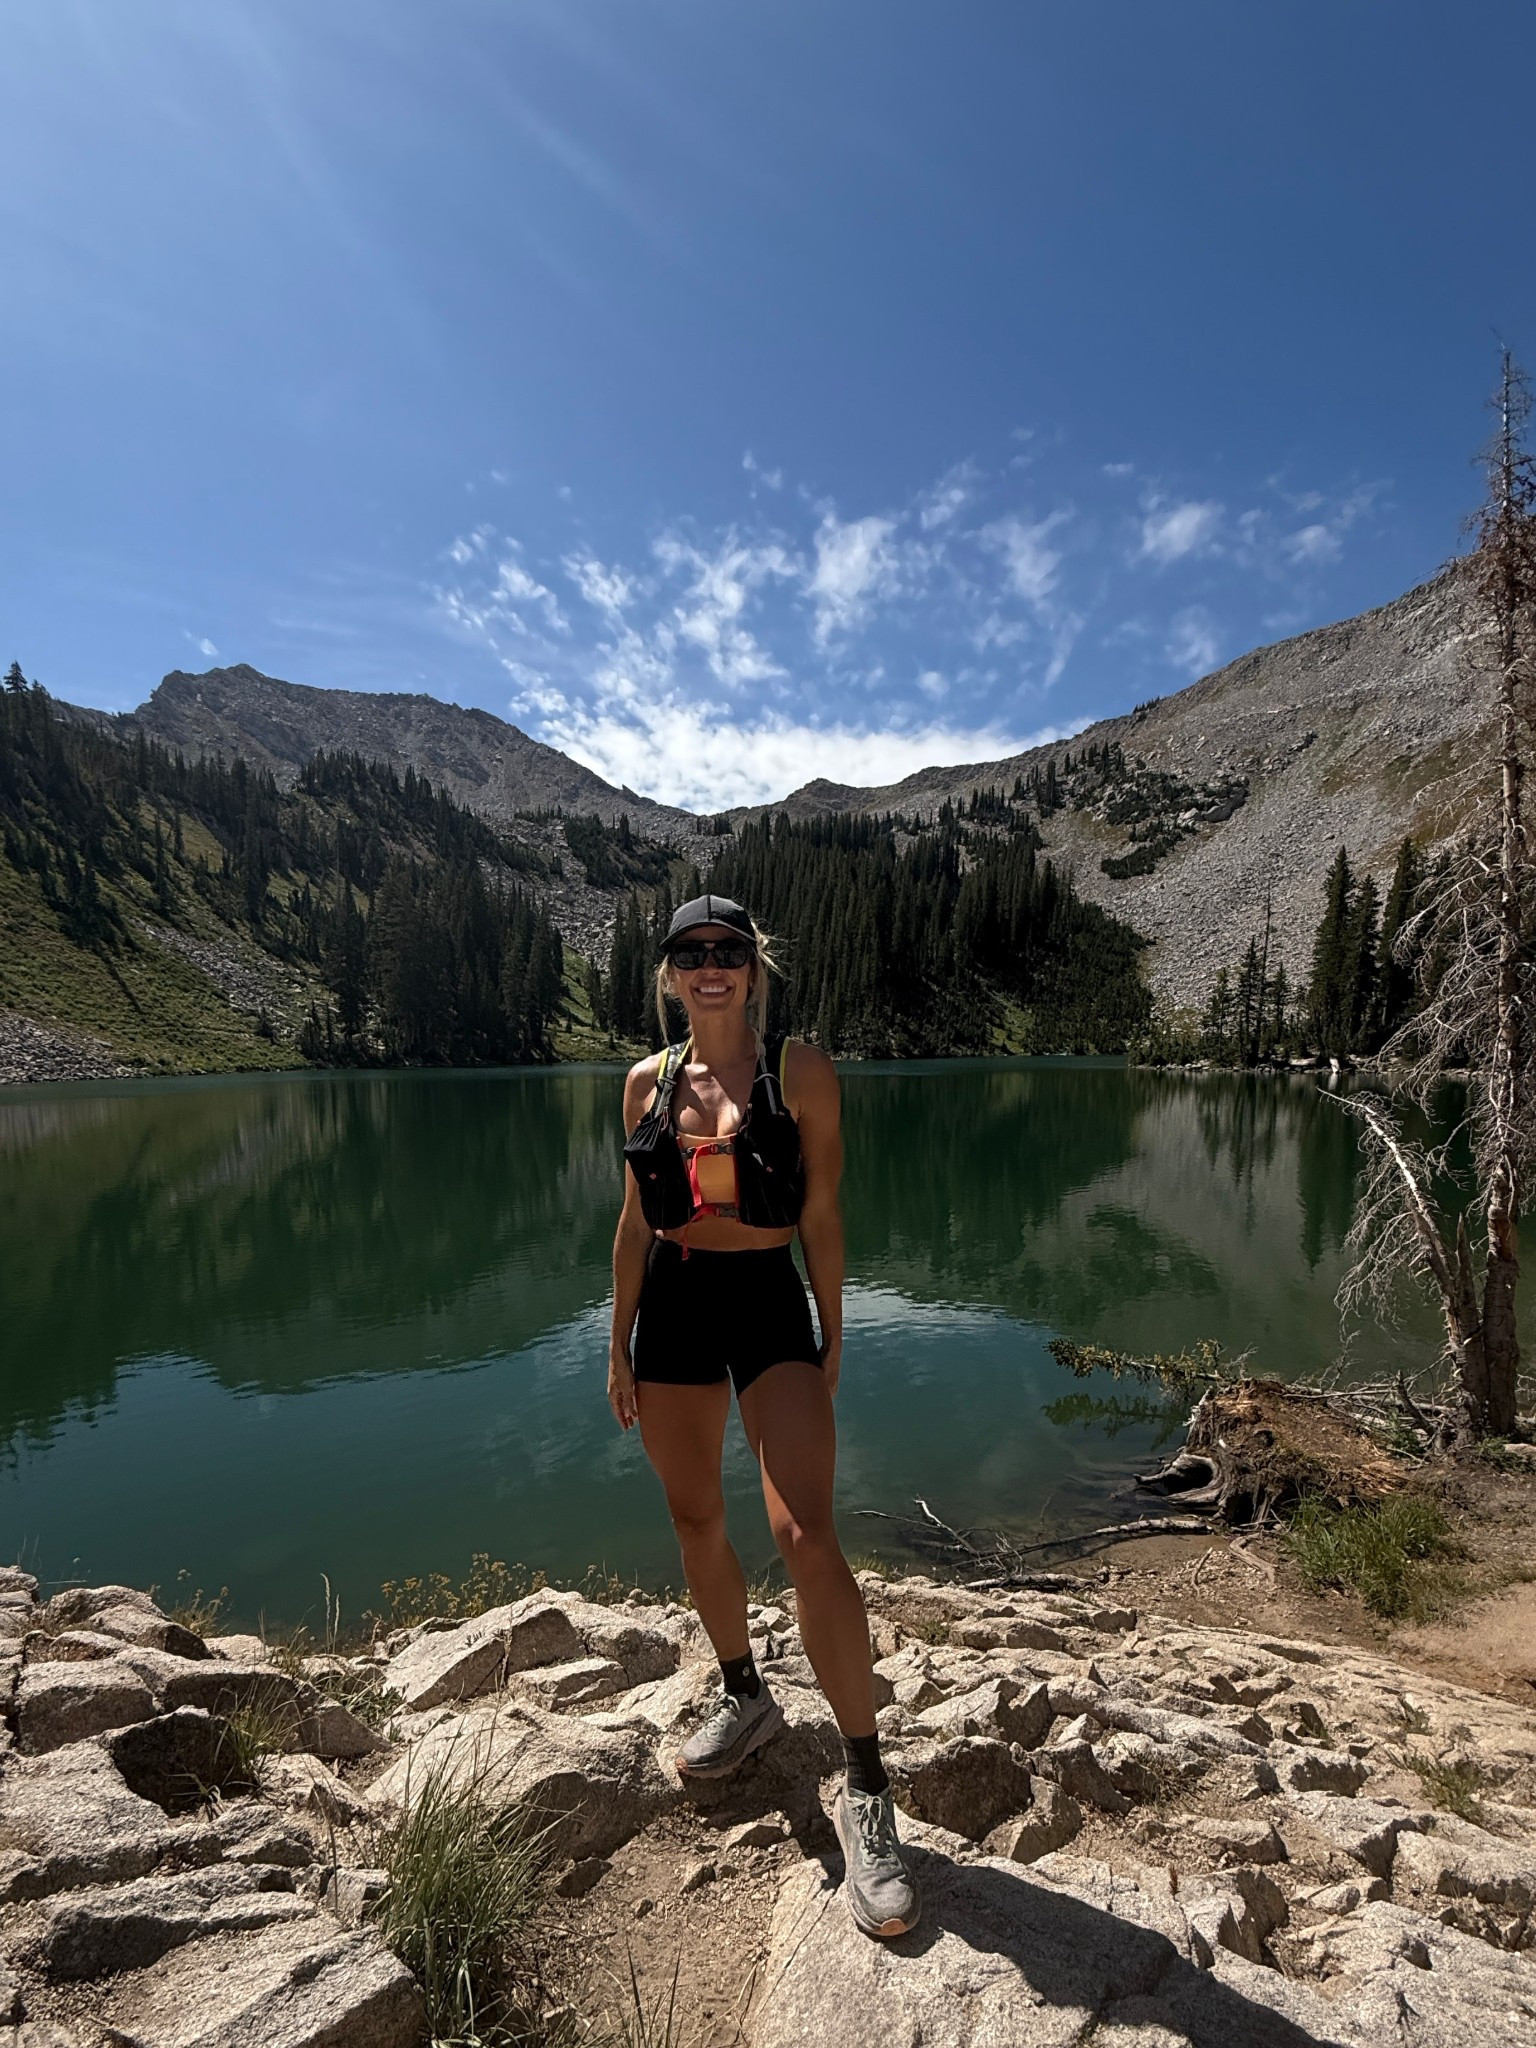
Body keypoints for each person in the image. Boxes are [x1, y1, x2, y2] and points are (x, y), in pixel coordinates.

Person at [608, 892, 920, 1940]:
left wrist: (834, 1328)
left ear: (754, 967)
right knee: (696, 1516)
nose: (711, 967)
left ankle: (867, 1782)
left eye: (728, 952)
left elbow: (823, 1209)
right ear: (669, 972)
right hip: (678, 1303)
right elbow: (632, 1221)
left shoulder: (802, 1071)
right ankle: (744, 1690)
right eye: (691, 953)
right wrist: (617, 1339)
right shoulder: (645, 1086)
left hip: (768, 1298)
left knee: (804, 1530)